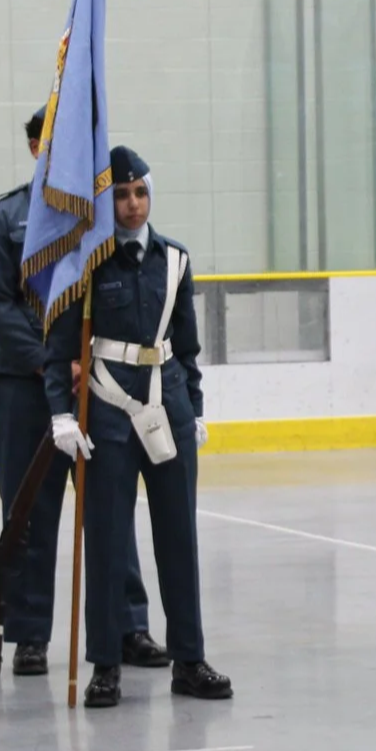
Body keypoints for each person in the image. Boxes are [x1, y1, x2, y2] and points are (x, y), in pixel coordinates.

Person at [0, 111, 162, 679]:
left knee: (110, 508)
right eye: (56, 145)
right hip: (27, 387)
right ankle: (30, 637)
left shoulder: (101, 219)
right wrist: (55, 363)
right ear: (36, 147)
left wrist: (90, 361)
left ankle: (127, 625)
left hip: (97, 385)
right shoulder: (5, 216)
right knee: (29, 509)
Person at [46, 146, 232, 707]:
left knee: (179, 536)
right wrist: (61, 413)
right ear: (107, 201)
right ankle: (106, 662)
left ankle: (190, 660)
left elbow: (189, 344)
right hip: (106, 409)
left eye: (140, 193)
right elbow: (57, 350)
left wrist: (193, 406)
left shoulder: (174, 260)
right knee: (105, 540)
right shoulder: (85, 261)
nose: (132, 204)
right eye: (121, 195)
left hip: (167, 405)